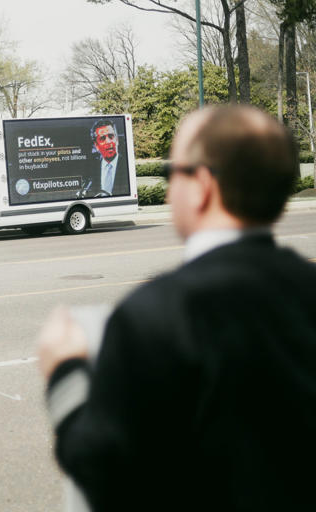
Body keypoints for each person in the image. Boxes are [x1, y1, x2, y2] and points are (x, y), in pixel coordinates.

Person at [38, 105, 316, 511]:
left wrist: (64, 373)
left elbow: (103, 472)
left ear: (202, 186)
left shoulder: (152, 316)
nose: (169, 191)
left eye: (174, 173)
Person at [87, 119, 129, 196]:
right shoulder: (92, 170)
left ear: (117, 140)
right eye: (102, 138)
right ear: (96, 145)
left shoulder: (127, 165)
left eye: (111, 136)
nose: (108, 142)